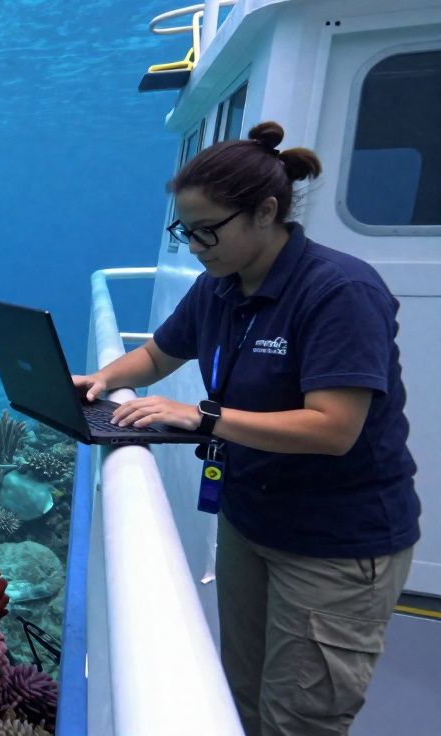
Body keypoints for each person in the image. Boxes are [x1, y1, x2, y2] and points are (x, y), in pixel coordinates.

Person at [72, 121, 420, 736]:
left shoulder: (339, 291)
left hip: (334, 545)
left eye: (208, 228)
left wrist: (202, 416)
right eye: (185, 229)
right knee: (242, 696)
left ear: (265, 212)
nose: (196, 244)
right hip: (249, 520)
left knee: (300, 720)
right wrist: (97, 380)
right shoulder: (219, 288)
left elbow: (334, 428)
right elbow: (156, 356)